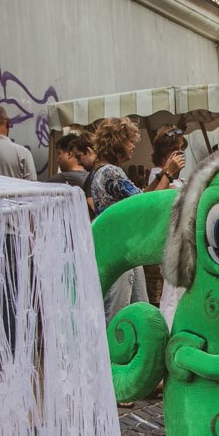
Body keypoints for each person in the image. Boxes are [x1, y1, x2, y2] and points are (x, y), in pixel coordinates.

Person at [90, 118, 148, 326]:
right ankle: (112, 358)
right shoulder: (111, 172)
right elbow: (143, 203)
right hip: (121, 250)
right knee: (121, 314)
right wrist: (167, 174)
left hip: (121, 249)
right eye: (130, 141)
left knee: (136, 309)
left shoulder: (99, 171)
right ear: (117, 142)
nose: (133, 146)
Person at [146, 125, 188, 191]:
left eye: (182, 148)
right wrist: (169, 173)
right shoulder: (157, 173)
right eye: (175, 149)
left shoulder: (176, 174)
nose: (181, 152)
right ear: (163, 152)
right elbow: (155, 197)